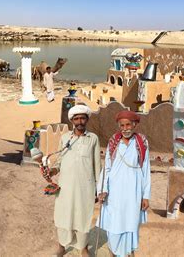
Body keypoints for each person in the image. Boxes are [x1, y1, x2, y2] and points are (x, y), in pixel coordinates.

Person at [97, 110, 151, 257]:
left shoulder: (141, 142)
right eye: (122, 125)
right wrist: (102, 189)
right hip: (114, 191)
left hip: (134, 191)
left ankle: (129, 253)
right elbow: (107, 167)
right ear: (119, 126)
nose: (125, 128)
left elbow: (145, 169)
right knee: (113, 224)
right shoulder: (113, 142)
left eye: (128, 125)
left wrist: (145, 196)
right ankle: (113, 253)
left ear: (134, 125)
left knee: (131, 223)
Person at [50, 104, 101, 256]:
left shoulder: (93, 139)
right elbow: (58, 162)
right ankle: (62, 246)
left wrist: (100, 189)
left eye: (82, 118)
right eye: (76, 118)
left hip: (85, 187)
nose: (79, 121)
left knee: (83, 216)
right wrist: (52, 170)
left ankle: (83, 247)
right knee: (63, 215)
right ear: (72, 120)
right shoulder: (65, 138)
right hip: (65, 186)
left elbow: (97, 165)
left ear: (86, 120)